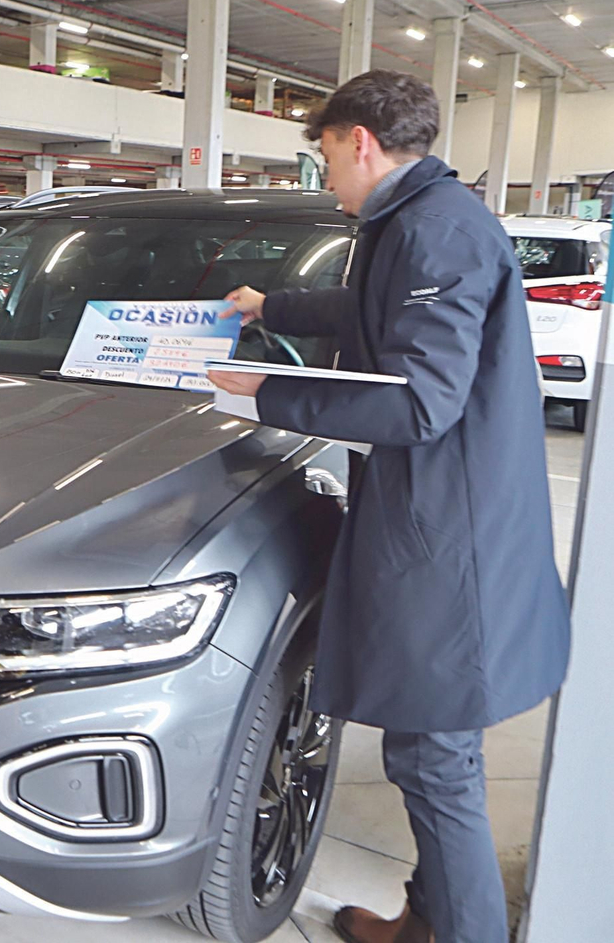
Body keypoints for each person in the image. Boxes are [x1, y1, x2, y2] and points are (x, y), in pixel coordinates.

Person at [208, 69, 571, 943]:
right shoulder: (412, 220)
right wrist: (273, 306)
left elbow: (419, 402)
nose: (326, 177)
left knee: (435, 757)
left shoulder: (438, 232)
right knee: (431, 750)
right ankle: (427, 924)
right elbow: (374, 312)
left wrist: (267, 394)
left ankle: (463, 932)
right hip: (446, 515)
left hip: (454, 535)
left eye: (328, 157)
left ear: (360, 142)